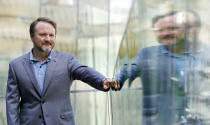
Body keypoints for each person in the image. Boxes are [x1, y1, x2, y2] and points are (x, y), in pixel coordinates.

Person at [6, 17, 120, 125]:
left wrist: (102, 80)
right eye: (42, 35)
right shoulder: (16, 66)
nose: (48, 39)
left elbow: (84, 72)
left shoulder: (67, 60)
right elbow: (12, 103)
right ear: (31, 36)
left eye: (51, 35)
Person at [117, 10, 208, 125]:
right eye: (160, 30)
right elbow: (128, 72)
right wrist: (114, 80)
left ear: (186, 30)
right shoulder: (146, 54)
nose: (166, 33)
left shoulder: (206, 53)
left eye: (172, 28)